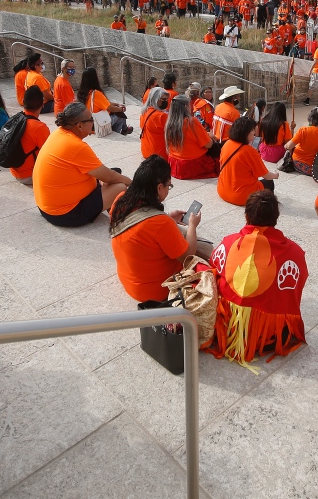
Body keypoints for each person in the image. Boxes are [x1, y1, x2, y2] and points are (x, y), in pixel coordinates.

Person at [206, 190, 307, 367]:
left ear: (246, 216)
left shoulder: (227, 243)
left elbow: (213, 274)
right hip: (269, 337)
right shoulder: (295, 253)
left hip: (227, 329)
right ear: (276, 218)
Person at [109, 155, 203, 302]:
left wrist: (169, 219)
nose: (168, 189)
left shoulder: (120, 200)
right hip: (155, 291)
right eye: (169, 186)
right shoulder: (160, 223)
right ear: (159, 188)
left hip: (128, 280)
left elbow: (142, 230)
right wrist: (192, 225)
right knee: (200, 253)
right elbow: (187, 257)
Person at [33, 102, 131, 227]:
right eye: (90, 119)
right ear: (79, 126)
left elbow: (105, 174)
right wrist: (133, 184)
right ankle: (121, 217)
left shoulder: (59, 133)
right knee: (120, 186)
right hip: (65, 214)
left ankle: (111, 207)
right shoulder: (76, 146)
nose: (93, 121)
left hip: (47, 207)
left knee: (114, 173)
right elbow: (109, 177)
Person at [218, 117, 278, 206]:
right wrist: (276, 175)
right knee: (269, 183)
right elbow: (266, 175)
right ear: (246, 132)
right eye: (253, 130)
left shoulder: (227, 143)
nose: (254, 132)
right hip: (241, 197)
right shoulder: (250, 151)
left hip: (222, 190)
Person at [166, 94, 220, 179]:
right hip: (191, 164)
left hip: (174, 163)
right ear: (186, 107)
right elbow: (208, 145)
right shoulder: (192, 121)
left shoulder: (170, 123)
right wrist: (210, 137)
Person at [9, 85, 52, 185]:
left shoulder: (15, 119)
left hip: (15, 171)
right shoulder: (39, 127)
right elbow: (50, 155)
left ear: (23, 101)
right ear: (43, 105)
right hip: (29, 175)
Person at [77, 67, 131, 135]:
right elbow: (110, 108)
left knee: (117, 113)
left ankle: (124, 130)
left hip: (87, 123)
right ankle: (118, 132)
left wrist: (117, 105)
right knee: (120, 116)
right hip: (96, 124)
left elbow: (106, 102)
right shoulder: (96, 93)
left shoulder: (82, 92)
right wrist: (121, 109)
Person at [285, 107, 318, 176]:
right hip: (316, 166)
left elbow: (289, 146)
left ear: (310, 118)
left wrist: (286, 145)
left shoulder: (304, 130)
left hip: (298, 162)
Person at [139, 87, 169, 160]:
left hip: (146, 151)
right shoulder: (162, 116)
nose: (166, 102)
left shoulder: (144, 112)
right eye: (163, 99)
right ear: (155, 99)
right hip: (160, 155)